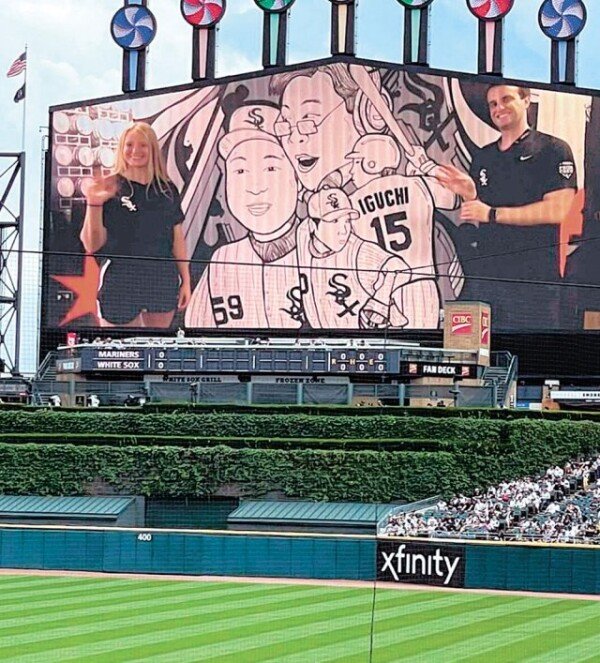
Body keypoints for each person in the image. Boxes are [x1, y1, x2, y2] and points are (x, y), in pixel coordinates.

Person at [436, 84, 577, 327]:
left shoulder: (553, 149)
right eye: (493, 104)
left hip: (532, 283)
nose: (498, 108)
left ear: (526, 100)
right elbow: (479, 215)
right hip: (483, 280)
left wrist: (492, 214)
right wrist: (470, 195)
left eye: (506, 99)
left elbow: (558, 209)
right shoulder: (484, 156)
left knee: (527, 350)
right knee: (466, 348)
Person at [185, 105, 305, 329]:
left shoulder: (324, 253)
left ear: (297, 179)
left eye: (270, 168)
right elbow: (196, 329)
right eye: (240, 171)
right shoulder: (222, 260)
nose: (255, 188)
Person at [80, 121, 190, 327]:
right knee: (117, 345)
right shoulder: (110, 186)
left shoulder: (167, 190)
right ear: (121, 149)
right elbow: (92, 245)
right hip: (121, 280)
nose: (135, 151)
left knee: (156, 344)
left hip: (161, 279)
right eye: (129, 145)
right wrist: (94, 203)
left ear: (152, 149)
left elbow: (178, 240)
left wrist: (186, 280)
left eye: (143, 145)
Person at [297, 187, 410, 329]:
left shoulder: (357, 251)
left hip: (357, 339)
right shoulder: (302, 235)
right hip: (318, 336)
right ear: (313, 225)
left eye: (347, 221)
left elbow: (399, 268)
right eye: (334, 221)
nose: (344, 230)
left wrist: (380, 299)